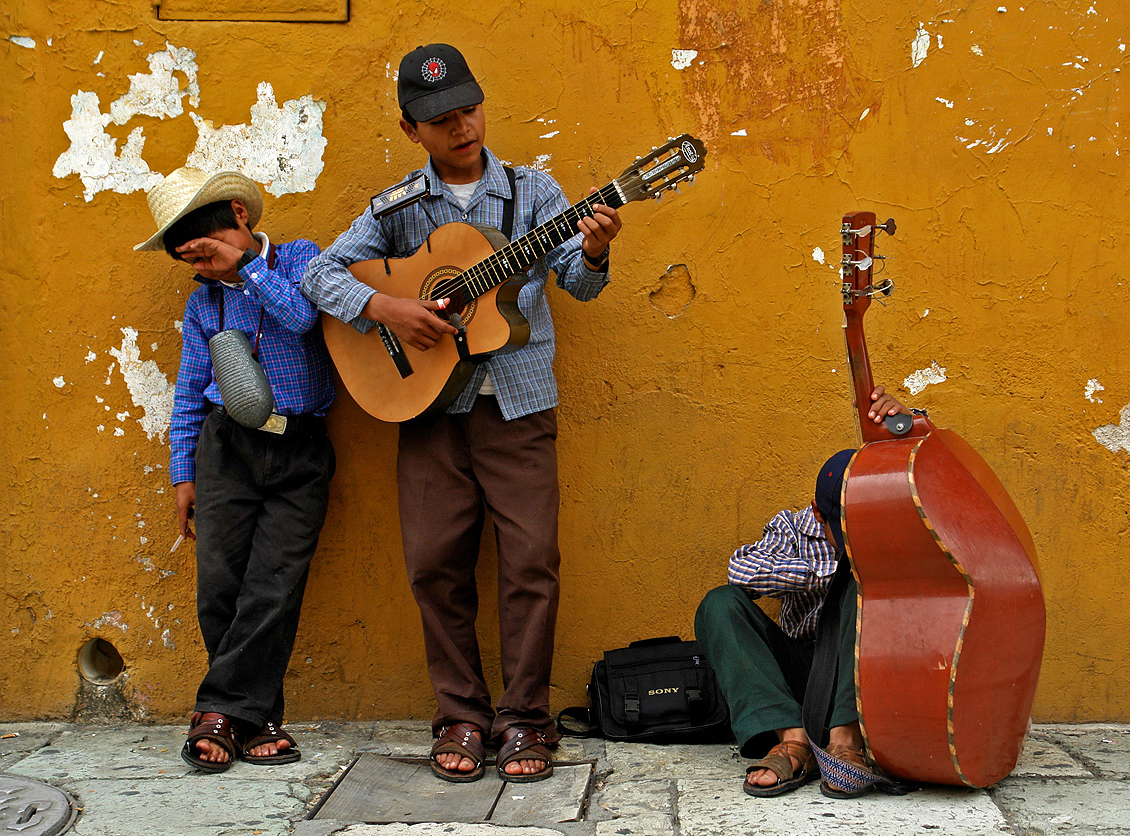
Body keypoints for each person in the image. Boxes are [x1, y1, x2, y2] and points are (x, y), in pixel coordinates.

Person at [302, 43, 621, 783]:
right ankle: (460, 718)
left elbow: (576, 282)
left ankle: (525, 723)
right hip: (426, 410)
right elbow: (320, 272)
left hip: (518, 405)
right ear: (413, 129)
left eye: (469, 109)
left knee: (531, 563)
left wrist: (597, 252)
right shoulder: (398, 209)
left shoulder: (536, 195)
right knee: (434, 565)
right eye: (441, 119)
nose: (462, 127)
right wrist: (386, 307)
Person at [135, 168, 336, 772]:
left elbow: (303, 319)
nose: (203, 263)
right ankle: (254, 720)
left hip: (300, 448)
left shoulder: (301, 259)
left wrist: (245, 269)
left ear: (239, 217)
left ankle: (218, 713)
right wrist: (182, 472)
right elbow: (191, 390)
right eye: (188, 254)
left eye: (207, 243)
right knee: (220, 583)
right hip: (226, 449)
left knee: (275, 585)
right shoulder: (204, 303)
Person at [694, 387, 908, 799]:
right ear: (816, 510)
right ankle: (793, 742)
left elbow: (936, 474)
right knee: (718, 604)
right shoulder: (793, 528)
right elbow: (740, 569)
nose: (850, 541)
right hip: (803, 675)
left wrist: (907, 427)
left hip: (863, 676)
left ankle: (846, 742)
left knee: (858, 580)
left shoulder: (890, 522)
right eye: (840, 531)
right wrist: (825, 570)